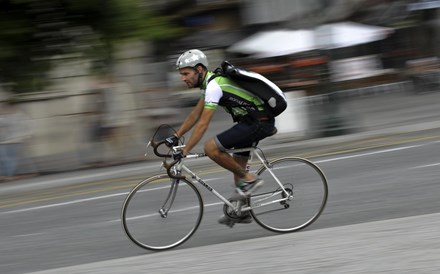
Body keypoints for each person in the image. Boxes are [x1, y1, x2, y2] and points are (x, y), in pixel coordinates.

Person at [167, 49, 278, 225]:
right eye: (181, 74)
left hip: (259, 123)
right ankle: (242, 211)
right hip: (251, 122)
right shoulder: (209, 84)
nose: (183, 78)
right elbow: (195, 115)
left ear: (200, 69)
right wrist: (175, 136)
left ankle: (251, 179)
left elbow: (203, 123)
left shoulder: (213, 86)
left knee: (211, 147)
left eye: (186, 73)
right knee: (236, 165)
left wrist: (186, 150)